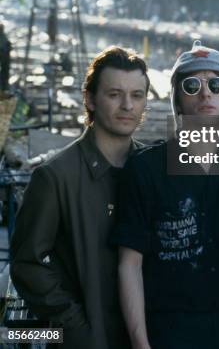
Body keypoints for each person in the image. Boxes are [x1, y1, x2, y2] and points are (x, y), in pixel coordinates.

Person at [10, 46, 150, 349]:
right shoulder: (54, 176)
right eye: (114, 94)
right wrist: (74, 325)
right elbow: (26, 264)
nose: (127, 105)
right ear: (90, 98)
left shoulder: (152, 170)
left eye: (137, 95)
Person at [113, 40, 219, 349]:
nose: (205, 93)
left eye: (215, 83)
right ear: (176, 99)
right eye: (191, 85)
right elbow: (129, 264)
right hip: (169, 329)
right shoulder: (146, 169)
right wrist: (140, 343)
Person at [0, 23, 11, 90]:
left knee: (4, 73)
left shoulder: (4, 38)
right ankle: (4, 88)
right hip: (4, 60)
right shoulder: (4, 38)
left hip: (4, 59)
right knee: (4, 74)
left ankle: (4, 88)